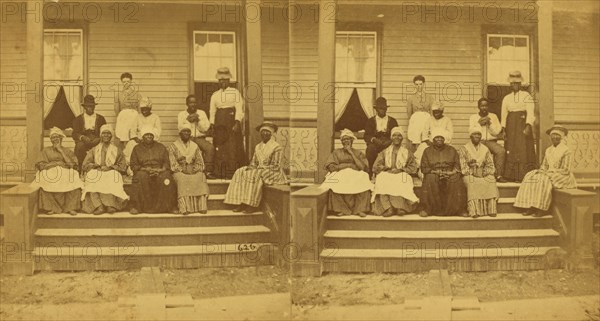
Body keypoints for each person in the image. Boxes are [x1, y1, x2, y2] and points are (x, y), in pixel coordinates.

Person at [223, 121, 287, 213]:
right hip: (260, 169)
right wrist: (251, 167)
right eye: (263, 131)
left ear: (271, 134)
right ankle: (240, 202)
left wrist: (259, 169)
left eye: (267, 132)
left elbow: (275, 166)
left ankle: (251, 204)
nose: (265, 133)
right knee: (240, 171)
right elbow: (254, 162)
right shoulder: (258, 146)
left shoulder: (276, 147)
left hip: (273, 172)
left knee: (254, 175)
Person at [514, 125, 577, 217]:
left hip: (563, 176)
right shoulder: (548, 150)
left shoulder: (566, 150)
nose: (554, 137)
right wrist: (542, 171)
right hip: (550, 173)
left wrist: (549, 172)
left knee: (543, 180)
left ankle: (542, 208)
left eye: (557, 135)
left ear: (562, 137)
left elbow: (566, 170)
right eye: (553, 135)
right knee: (531, 176)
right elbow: (544, 165)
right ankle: (530, 206)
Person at [321, 129, 372, 217]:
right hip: (340, 173)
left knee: (364, 178)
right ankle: (341, 209)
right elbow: (331, 167)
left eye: (348, 139)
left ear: (352, 140)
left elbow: (363, 167)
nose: (345, 141)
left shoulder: (358, 153)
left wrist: (351, 153)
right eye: (343, 139)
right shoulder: (336, 152)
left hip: (355, 174)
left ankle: (360, 209)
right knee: (334, 182)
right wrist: (347, 166)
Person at [31, 127, 82, 215]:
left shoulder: (67, 151)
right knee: (44, 177)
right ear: (51, 140)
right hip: (50, 170)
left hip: (65, 171)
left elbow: (73, 165)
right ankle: (52, 207)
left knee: (74, 176)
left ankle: (70, 207)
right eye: (53, 138)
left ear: (61, 138)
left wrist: (61, 151)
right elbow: (41, 165)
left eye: (57, 137)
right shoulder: (46, 150)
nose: (55, 139)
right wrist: (55, 164)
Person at [81, 124, 129, 215]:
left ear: (111, 136)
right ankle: (99, 206)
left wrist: (110, 167)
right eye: (104, 133)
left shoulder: (117, 150)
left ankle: (110, 205)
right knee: (92, 176)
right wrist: (96, 166)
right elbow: (85, 165)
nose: (106, 135)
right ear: (100, 135)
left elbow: (123, 166)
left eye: (108, 133)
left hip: (110, 171)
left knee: (113, 176)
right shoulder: (94, 149)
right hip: (97, 170)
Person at [371, 126, 420, 217]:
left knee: (403, 180)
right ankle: (388, 208)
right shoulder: (385, 152)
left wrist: (401, 170)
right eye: (394, 135)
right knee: (381, 178)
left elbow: (413, 167)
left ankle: (400, 208)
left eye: (399, 135)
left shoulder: (407, 152)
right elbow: (376, 166)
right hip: (387, 173)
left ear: (402, 138)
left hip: (401, 173)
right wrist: (386, 168)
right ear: (391, 137)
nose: (396, 137)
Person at [129, 125, 177, 214]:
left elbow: (167, 162)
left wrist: (161, 170)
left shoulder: (161, 147)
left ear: (154, 136)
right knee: (140, 177)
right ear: (142, 136)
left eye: (151, 135)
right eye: (146, 135)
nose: (149, 137)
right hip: (143, 170)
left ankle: (170, 206)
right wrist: (145, 169)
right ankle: (137, 207)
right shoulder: (137, 148)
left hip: (159, 170)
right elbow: (133, 165)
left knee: (167, 178)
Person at [419, 128, 467, 217]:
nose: (439, 140)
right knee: (430, 179)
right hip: (433, 172)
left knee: (456, 179)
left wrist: (451, 172)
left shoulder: (452, 150)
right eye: (437, 138)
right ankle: (427, 209)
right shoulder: (427, 151)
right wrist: (435, 172)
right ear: (432, 139)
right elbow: (424, 167)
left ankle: (459, 210)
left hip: (449, 172)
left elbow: (457, 165)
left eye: (441, 138)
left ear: (444, 139)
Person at [209, 67, 246, 178]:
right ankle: (220, 172)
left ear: (229, 80)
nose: (223, 82)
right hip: (219, 121)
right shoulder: (215, 94)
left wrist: (237, 122)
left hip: (231, 120)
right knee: (220, 147)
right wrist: (212, 124)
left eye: (225, 80)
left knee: (232, 146)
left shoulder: (235, 92)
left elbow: (239, 108)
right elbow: (212, 111)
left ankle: (233, 173)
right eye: (220, 80)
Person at [501, 70, 537, 182]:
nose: (514, 85)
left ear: (520, 84)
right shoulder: (507, 98)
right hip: (511, 124)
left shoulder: (526, 95)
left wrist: (528, 125)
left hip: (522, 123)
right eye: (512, 83)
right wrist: (504, 129)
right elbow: (504, 114)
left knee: (522, 149)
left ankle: (522, 176)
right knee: (511, 148)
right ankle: (511, 176)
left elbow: (530, 112)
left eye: (516, 83)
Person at [168, 124, 210, 215]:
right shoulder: (173, 146)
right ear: (180, 133)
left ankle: (201, 206)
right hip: (179, 171)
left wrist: (194, 169)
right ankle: (185, 208)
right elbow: (172, 163)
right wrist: (182, 169)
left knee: (201, 176)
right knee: (182, 179)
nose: (186, 133)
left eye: (188, 131)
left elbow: (200, 162)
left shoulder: (195, 146)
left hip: (192, 169)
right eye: (184, 131)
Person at [458, 125, 499, 218]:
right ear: (470, 136)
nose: (477, 136)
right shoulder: (463, 149)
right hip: (469, 174)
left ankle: (491, 209)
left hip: (482, 173)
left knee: (491, 179)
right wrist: (474, 172)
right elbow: (463, 167)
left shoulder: (485, 149)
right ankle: (474, 210)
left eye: (479, 134)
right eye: (475, 134)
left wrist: (484, 173)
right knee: (472, 182)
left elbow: (490, 165)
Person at [469, 97, 507, 182]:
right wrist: (479, 124)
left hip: (491, 141)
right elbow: (471, 132)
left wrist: (490, 124)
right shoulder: (473, 117)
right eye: (482, 106)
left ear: (488, 107)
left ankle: (498, 175)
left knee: (501, 151)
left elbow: (497, 132)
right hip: (479, 142)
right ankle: (476, 175)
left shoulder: (493, 116)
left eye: (486, 106)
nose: (484, 108)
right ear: (478, 107)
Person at [178, 94, 215, 179]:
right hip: (187, 139)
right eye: (191, 102)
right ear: (187, 104)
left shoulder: (201, 113)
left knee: (210, 148)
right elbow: (180, 128)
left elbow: (205, 128)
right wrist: (188, 120)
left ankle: (208, 171)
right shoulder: (182, 114)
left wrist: (198, 121)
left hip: (199, 138)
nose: (193, 104)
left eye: (194, 102)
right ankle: (185, 171)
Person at [124, 97, 162, 169]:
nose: (144, 111)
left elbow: (158, 131)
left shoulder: (155, 117)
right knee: (131, 145)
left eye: (146, 109)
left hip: (151, 139)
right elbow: (133, 130)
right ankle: (131, 166)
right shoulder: (138, 117)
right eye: (142, 109)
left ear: (150, 108)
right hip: (139, 140)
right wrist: (137, 139)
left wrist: (149, 139)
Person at [364, 97, 398, 175]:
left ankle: (390, 172)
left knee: (393, 150)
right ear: (376, 109)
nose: (382, 110)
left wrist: (390, 141)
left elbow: (396, 133)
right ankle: (370, 173)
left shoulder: (392, 121)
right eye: (380, 108)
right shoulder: (370, 121)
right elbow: (367, 136)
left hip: (388, 143)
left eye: (384, 108)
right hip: (375, 143)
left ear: (386, 109)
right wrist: (374, 140)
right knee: (370, 149)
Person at [415, 101, 454, 168]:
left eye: (437, 112)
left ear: (442, 111)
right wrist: (429, 142)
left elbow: (450, 134)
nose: (435, 114)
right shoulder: (429, 120)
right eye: (434, 112)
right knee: (422, 148)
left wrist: (441, 142)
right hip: (431, 142)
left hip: (443, 142)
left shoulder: (447, 120)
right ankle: (422, 167)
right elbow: (425, 133)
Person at [72, 95, 107, 169]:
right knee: (79, 147)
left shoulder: (101, 118)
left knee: (102, 148)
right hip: (84, 141)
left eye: (92, 106)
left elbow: (105, 131)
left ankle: (99, 168)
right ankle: (80, 169)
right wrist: (82, 137)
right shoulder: (78, 119)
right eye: (88, 106)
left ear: (94, 106)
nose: (90, 107)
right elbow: (74, 134)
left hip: (97, 140)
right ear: (84, 107)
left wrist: (99, 138)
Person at [406, 75, 434, 150]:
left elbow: (432, 112)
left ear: (424, 84)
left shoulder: (429, 97)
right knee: (416, 140)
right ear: (414, 85)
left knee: (425, 139)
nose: (419, 86)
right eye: (417, 84)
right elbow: (409, 113)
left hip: (426, 120)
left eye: (420, 84)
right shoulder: (411, 98)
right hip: (416, 121)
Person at [114, 72, 142, 145]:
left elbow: (139, 108)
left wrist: (139, 119)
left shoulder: (137, 94)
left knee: (133, 136)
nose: (126, 83)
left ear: (131, 82)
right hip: (123, 117)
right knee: (124, 137)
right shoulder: (118, 95)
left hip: (134, 116)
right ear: (121, 82)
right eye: (124, 82)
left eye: (128, 81)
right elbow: (117, 109)